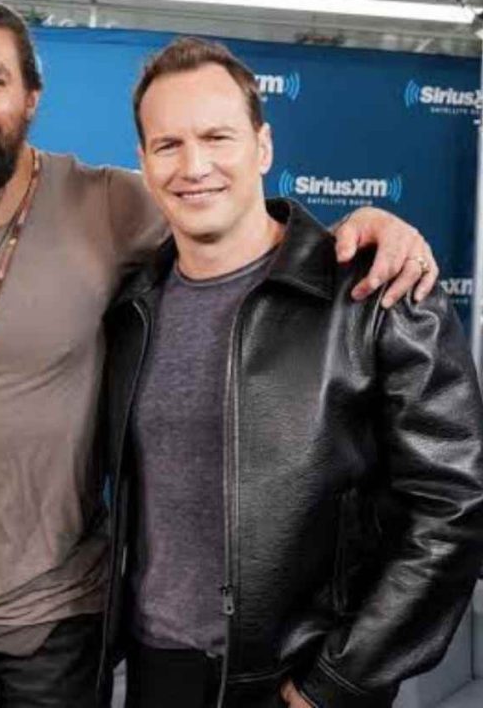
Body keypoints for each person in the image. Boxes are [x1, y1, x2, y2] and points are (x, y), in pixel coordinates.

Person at [0, 0, 440, 708]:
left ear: (32, 97)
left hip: (64, 614)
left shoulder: (108, 204)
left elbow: (233, 212)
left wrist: (367, 229)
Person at [100, 36, 483, 708]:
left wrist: (334, 681)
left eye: (217, 137)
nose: (195, 166)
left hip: (298, 683)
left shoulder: (377, 295)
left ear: (263, 147)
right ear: (144, 162)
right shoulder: (131, 307)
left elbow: (455, 507)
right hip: (156, 672)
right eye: (168, 145)